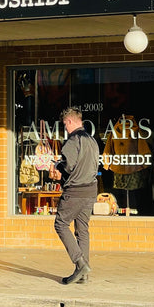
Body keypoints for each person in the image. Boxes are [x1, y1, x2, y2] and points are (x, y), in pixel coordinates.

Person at [49, 106, 99, 285]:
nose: (65, 128)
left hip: (75, 191)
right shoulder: (92, 140)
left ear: (70, 121)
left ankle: (80, 263)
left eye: (65, 125)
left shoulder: (73, 140)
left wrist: (57, 167)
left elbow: (68, 166)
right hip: (90, 190)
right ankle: (83, 274)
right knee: (82, 230)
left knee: (61, 224)